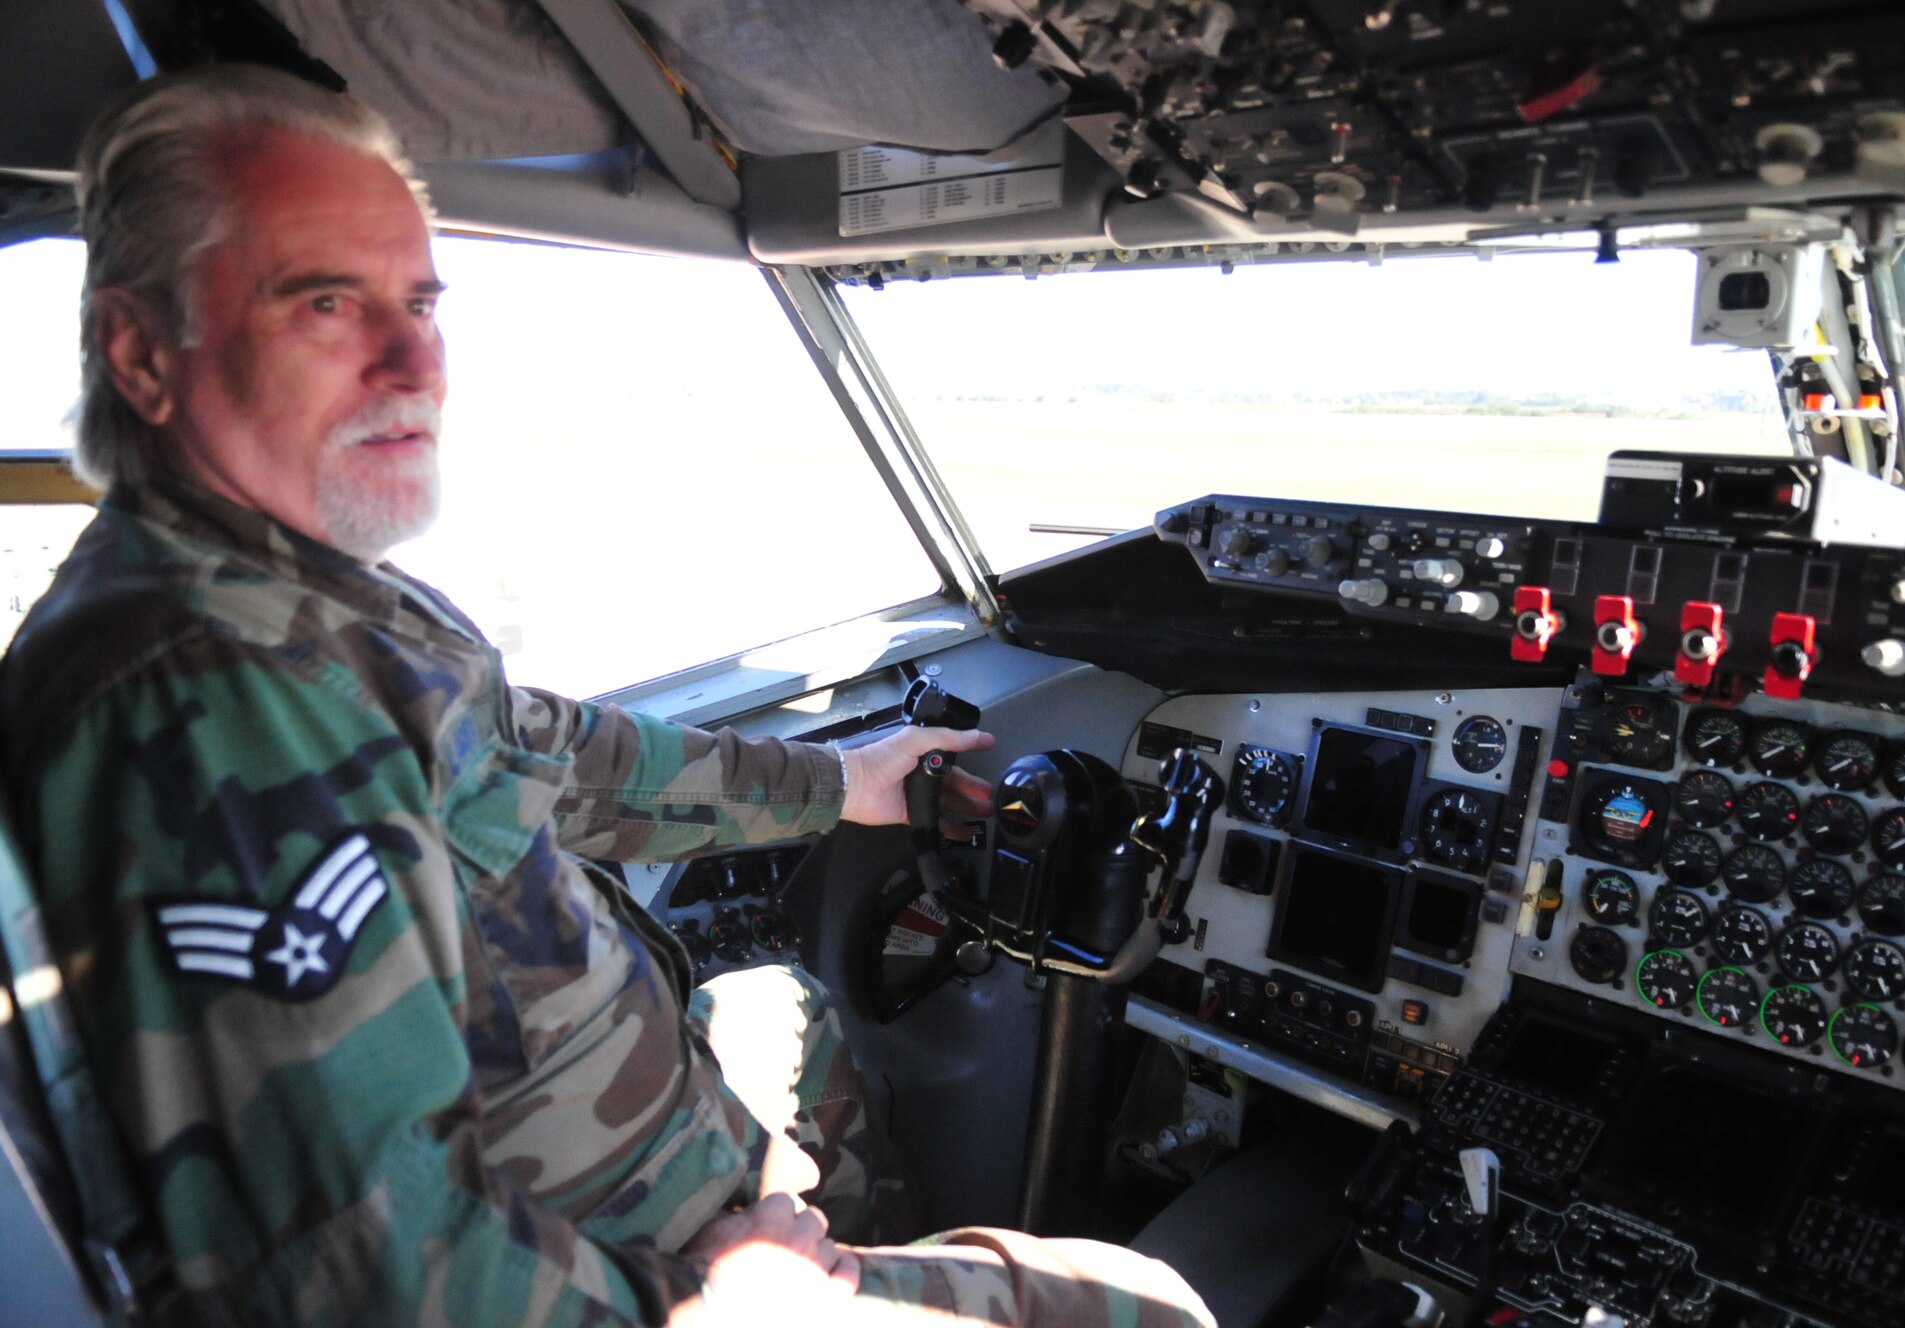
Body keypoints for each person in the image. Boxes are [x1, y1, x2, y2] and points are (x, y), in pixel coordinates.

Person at [0, 64, 1214, 1328]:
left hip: (657, 1192)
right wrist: (736, 1301)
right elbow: (363, 1276)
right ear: (144, 355)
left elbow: (536, 751)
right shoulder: (208, 697)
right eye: (325, 302)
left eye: (421, 300)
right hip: (633, 1277)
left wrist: (836, 783)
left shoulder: (302, 593)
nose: (415, 357)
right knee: (1145, 1302)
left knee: (801, 1026)